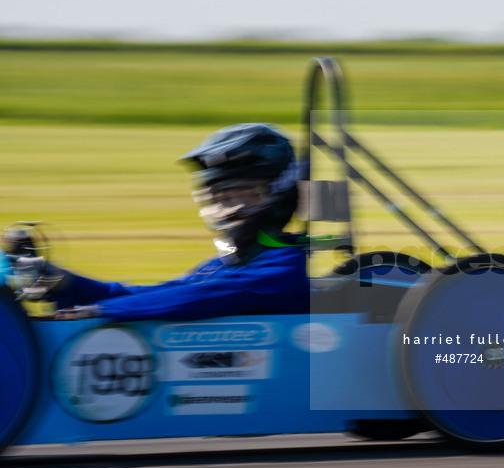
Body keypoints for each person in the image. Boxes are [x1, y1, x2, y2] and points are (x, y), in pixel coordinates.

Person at [7, 123, 310, 322]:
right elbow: (147, 296)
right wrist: (65, 282)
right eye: (219, 197)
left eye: (245, 195)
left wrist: (99, 312)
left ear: (279, 195)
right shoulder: (222, 266)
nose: (228, 210)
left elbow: (197, 299)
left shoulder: (283, 265)